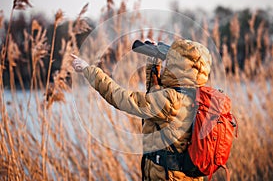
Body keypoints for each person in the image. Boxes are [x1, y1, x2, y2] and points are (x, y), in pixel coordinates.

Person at [71, 39, 212, 181]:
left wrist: (88, 70)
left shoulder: (170, 100)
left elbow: (122, 98)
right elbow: (154, 100)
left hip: (167, 177)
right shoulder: (197, 95)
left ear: (178, 66)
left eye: (171, 59)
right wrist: (154, 63)